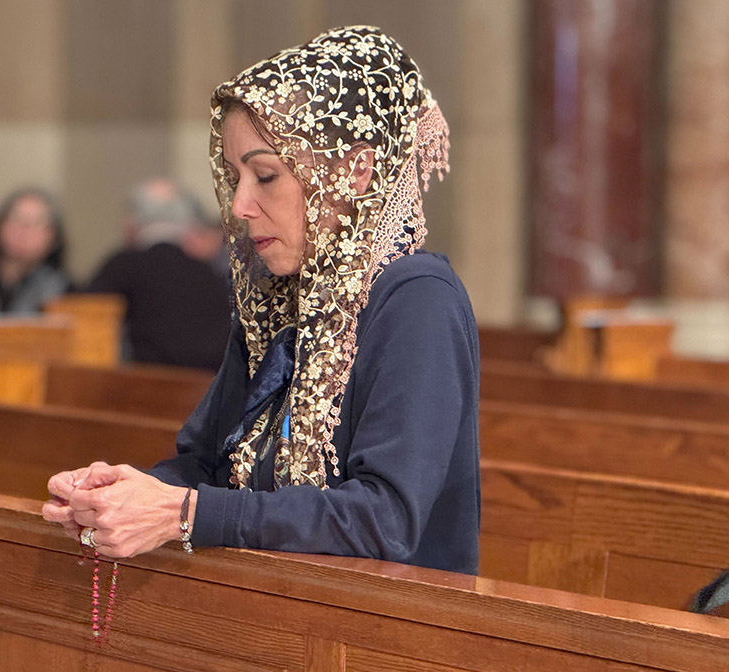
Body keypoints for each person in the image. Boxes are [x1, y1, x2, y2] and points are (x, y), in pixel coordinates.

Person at [44, 26, 480, 573]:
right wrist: (115, 496)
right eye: (234, 177)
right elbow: (207, 465)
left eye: (266, 174)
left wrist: (184, 514)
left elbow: (385, 519)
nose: (241, 205)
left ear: (353, 170)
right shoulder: (275, 298)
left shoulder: (417, 301)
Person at [86, 177, 231, 371]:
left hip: (144, 391)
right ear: (190, 225)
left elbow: (83, 316)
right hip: (207, 392)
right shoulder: (211, 272)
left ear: (131, 223)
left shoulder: (122, 265)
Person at [0, 187, 70, 314]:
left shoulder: (65, 292)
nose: (24, 228)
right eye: (16, 218)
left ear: (54, 237)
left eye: (36, 222)